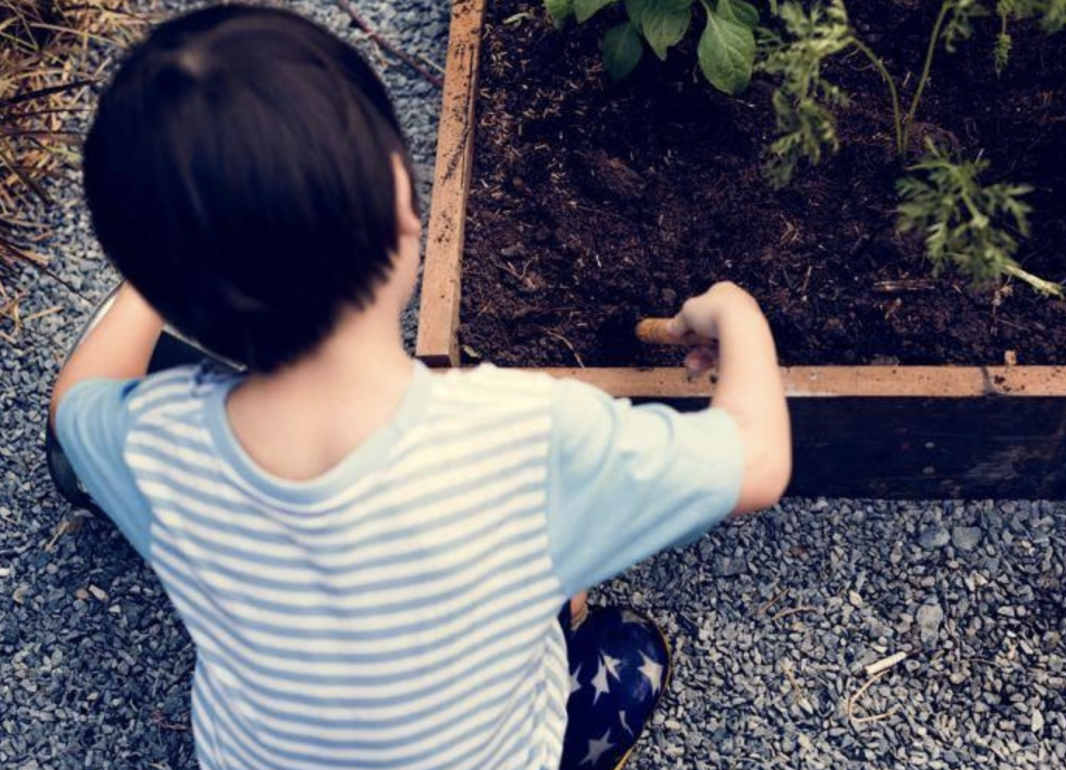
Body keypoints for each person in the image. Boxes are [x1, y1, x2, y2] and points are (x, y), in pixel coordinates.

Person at [49, 5, 791, 769]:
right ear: (406, 211)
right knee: (618, 644)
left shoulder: (154, 448)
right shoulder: (521, 440)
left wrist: (158, 273)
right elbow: (759, 460)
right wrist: (738, 311)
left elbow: (76, 397)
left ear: (170, 291)